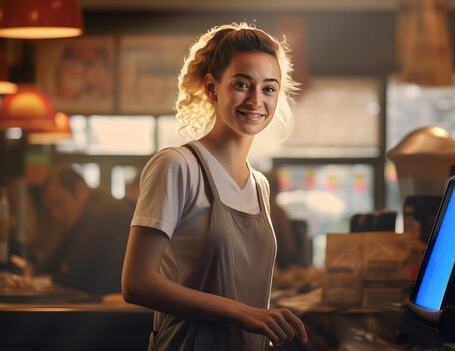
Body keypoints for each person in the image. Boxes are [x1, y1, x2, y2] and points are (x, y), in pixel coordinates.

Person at [121, 22, 308, 350]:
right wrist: (243, 313)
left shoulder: (260, 186)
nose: (255, 100)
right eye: (241, 84)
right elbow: (136, 283)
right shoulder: (179, 166)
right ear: (212, 87)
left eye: (268, 88)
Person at [39, 165, 133, 296]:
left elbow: (78, 277)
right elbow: (55, 260)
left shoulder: (102, 213)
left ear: (80, 190)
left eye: (59, 203)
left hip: (119, 308)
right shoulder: (86, 214)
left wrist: (36, 281)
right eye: (51, 207)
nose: (54, 213)